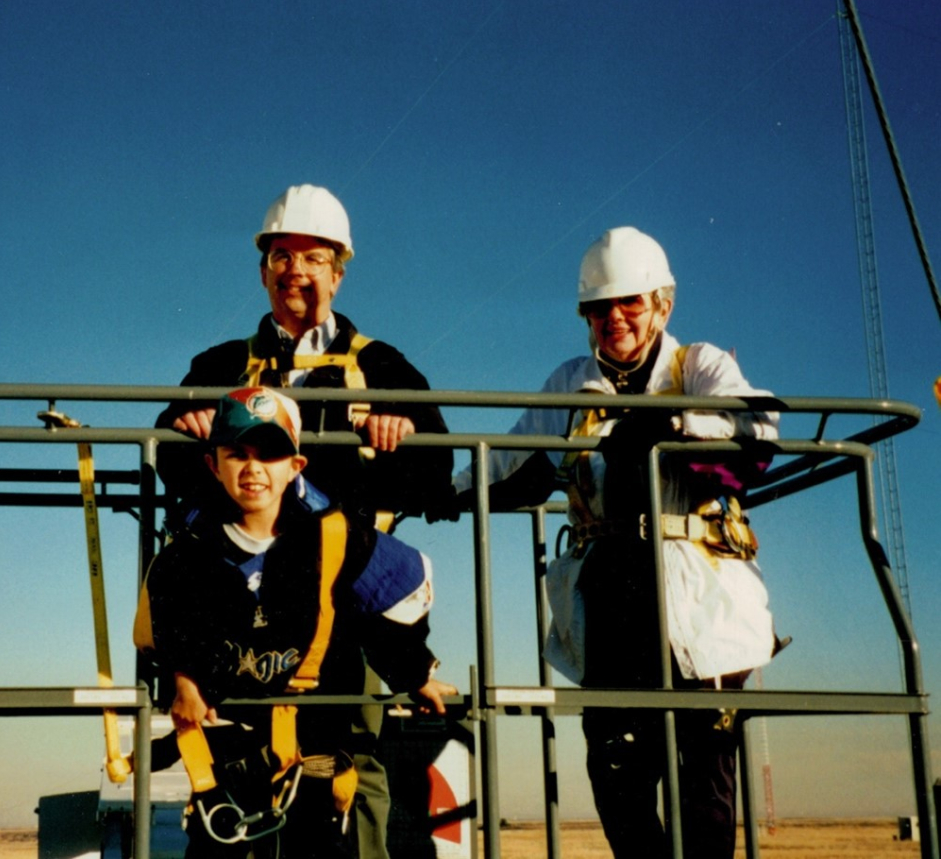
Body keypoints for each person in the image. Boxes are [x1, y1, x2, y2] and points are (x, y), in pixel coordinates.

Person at [452, 227, 780, 859]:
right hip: (609, 600)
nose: (615, 319)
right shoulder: (572, 387)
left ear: (662, 305)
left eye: (630, 303)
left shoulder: (699, 366)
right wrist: (441, 488)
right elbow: (510, 465)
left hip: (700, 603)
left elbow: (756, 432)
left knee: (704, 787)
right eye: (600, 308)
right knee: (618, 777)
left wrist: (665, 424)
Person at [137, 387, 457, 858]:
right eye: (237, 454)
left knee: (330, 835)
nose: (253, 469)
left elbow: (391, 602)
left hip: (320, 732)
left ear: (296, 466)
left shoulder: (337, 536)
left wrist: (416, 673)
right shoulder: (189, 551)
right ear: (213, 465)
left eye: (270, 454)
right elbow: (170, 621)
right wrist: (183, 683)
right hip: (236, 734)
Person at [155, 183, 452, 525]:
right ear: (264, 273)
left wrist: (404, 435)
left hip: (345, 559)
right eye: (283, 256)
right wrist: (187, 427)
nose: (296, 270)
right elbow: (168, 460)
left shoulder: (382, 364)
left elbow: (436, 470)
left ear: (336, 277)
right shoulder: (221, 364)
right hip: (244, 559)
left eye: (314, 259)